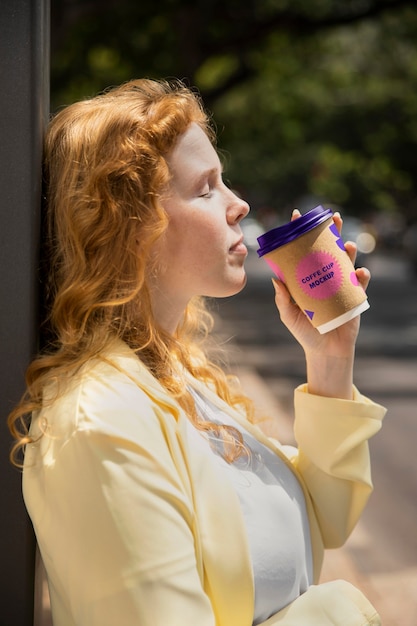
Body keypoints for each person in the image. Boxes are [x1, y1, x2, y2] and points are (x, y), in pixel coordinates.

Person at [8, 78, 386, 626]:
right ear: (131, 225)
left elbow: (325, 517)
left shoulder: (171, 374)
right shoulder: (99, 426)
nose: (239, 204)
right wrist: (335, 612)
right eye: (207, 187)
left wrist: (330, 359)